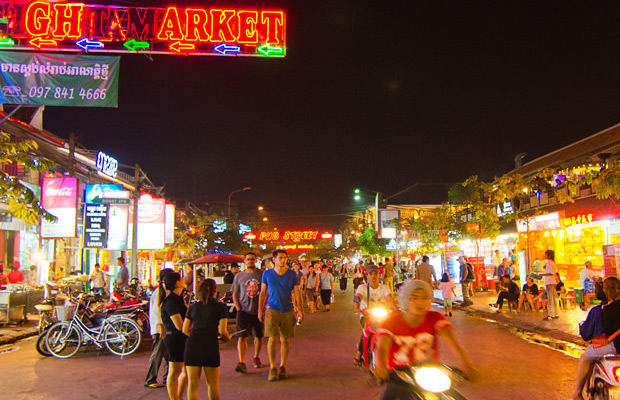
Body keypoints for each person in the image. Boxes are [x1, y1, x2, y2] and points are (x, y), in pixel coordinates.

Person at [374, 280, 474, 400]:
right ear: (405, 299)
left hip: (431, 373)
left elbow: (451, 342)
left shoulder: (435, 318)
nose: (420, 302)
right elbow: (382, 348)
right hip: (400, 376)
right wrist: (381, 367)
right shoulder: (390, 323)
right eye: (414, 298)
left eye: (425, 297)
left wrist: (466, 364)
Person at [571, 277, 620, 400]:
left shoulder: (604, 309)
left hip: (616, 346)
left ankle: (577, 393)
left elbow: (607, 331)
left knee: (586, 357)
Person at [258, 249, 304, 381]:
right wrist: (260, 311)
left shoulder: (292, 275)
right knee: (272, 339)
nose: (283, 260)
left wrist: (300, 310)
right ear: (274, 260)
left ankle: (283, 365)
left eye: (285, 258)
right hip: (272, 309)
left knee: (285, 339)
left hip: (288, 309)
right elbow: (262, 293)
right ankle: (272, 367)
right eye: (281, 258)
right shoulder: (267, 274)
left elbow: (297, 292)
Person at [182, 279, 230, 400]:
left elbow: (184, 329)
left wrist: (195, 335)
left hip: (193, 346)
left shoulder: (193, 307)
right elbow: (222, 331)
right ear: (215, 291)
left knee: (193, 385)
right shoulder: (221, 307)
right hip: (210, 345)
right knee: (213, 385)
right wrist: (226, 337)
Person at [353, 264, 396, 366]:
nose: (373, 276)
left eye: (375, 273)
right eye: (371, 274)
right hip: (367, 316)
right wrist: (356, 307)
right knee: (368, 331)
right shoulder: (362, 287)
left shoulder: (384, 288)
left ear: (379, 275)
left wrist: (395, 309)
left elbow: (390, 298)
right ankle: (358, 354)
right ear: (367, 275)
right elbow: (357, 297)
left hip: (382, 315)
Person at [231, 252, 265, 373]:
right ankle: (241, 361)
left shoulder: (261, 274)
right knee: (242, 336)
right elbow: (235, 293)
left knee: (259, 335)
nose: (250, 261)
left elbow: (266, 291)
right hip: (243, 310)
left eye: (252, 259)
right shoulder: (239, 276)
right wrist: (238, 308)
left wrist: (263, 308)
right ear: (244, 261)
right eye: (248, 259)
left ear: (255, 261)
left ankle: (256, 357)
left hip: (258, 310)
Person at [160, 272, 188, 400]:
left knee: (185, 371)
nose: (184, 280)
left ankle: (179, 396)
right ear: (177, 283)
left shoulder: (179, 299)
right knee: (175, 370)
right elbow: (179, 325)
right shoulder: (171, 301)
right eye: (181, 278)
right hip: (175, 338)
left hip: (181, 338)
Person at [145, 268, 173, 389]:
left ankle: (168, 378)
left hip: (163, 328)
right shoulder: (159, 293)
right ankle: (151, 379)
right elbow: (157, 311)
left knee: (168, 354)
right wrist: (161, 326)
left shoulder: (164, 292)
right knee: (158, 353)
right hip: (160, 329)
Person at [540, 249, 559, 320]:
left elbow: (551, 273)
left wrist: (542, 274)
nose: (545, 256)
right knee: (553, 298)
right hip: (553, 282)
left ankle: (551, 314)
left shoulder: (549, 263)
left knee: (550, 299)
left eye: (546, 254)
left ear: (549, 255)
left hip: (549, 282)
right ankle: (555, 313)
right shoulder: (552, 263)